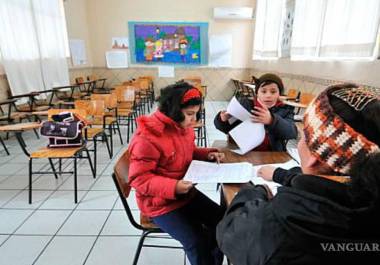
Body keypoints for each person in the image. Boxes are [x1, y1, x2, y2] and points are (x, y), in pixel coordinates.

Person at [216, 83, 380, 264]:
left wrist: (257, 190)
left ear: (314, 157)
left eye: (305, 136)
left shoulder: (275, 226)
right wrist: (281, 175)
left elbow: (230, 230)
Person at [128, 82, 225, 265]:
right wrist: (174, 186)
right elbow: (138, 178)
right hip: (159, 203)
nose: (194, 119)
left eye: (196, 113)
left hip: (184, 194)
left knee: (223, 221)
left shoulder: (182, 127)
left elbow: (189, 150)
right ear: (173, 110)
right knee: (196, 241)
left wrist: (208, 154)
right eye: (190, 114)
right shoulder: (148, 137)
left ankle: (213, 260)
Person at [214, 73, 297, 151]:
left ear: (279, 94)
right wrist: (223, 120)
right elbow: (226, 129)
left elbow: (292, 133)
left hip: (271, 154)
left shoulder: (285, 110)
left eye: (273, 92)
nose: (268, 95)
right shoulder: (246, 105)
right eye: (263, 91)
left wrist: (272, 120)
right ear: (257, 93)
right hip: (244, 152)